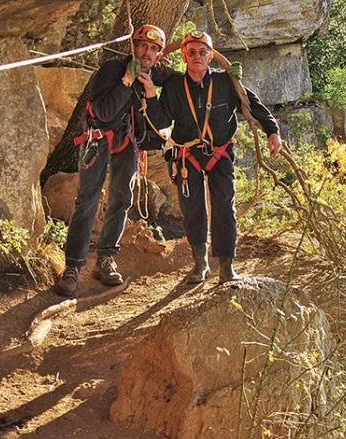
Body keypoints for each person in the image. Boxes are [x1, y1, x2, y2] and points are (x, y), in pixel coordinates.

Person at [145, 29, 282, 283]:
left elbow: (252, 104)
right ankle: (200, 264)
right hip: (187, 156)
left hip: (220, 154)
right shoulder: (174, 87)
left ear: (210, 56)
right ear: (184, 57)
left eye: (203, 52)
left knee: (224, 207)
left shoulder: (226, 82)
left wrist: (272, 131)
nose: (197, 56)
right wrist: (152, 95)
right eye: (192, 52)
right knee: (192, 209)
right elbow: (162, 121)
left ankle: (226, 266)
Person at [53, 24, 173, 297]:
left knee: (122, 199)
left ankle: (106, 258)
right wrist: (127, 82)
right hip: (98, 139)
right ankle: (72, 267)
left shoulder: (155, 72)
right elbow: (104, 112)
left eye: (154, 49)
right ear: (133, 45)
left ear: (159, 55)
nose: (147, 52)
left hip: (128, 143)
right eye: (143, 45)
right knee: (88, 199)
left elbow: (181, 77)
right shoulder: (111, 69)